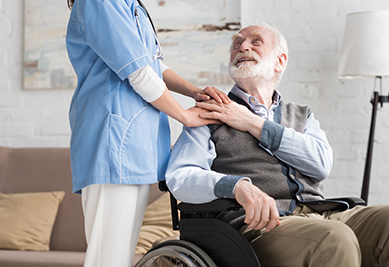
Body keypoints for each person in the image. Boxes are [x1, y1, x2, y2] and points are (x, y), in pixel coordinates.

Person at [165, 23, 389, 267]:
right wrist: (237, 186)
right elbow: (181, 177)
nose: (243, 46)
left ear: (279, 61)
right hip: (258, 225)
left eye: (256, 41)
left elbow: (321, 165)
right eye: (237, 43)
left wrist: (252, 123)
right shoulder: (209, 112)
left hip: (320, 213)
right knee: (334, 238)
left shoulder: (302, 115)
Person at [65, 0, 230, 266]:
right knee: (108, 259)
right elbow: (137, 71)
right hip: (113, 142)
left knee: (119, 256)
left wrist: (194, 92)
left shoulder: (129, 4)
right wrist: (185, 116)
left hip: (134, 145)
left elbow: (152, 65)